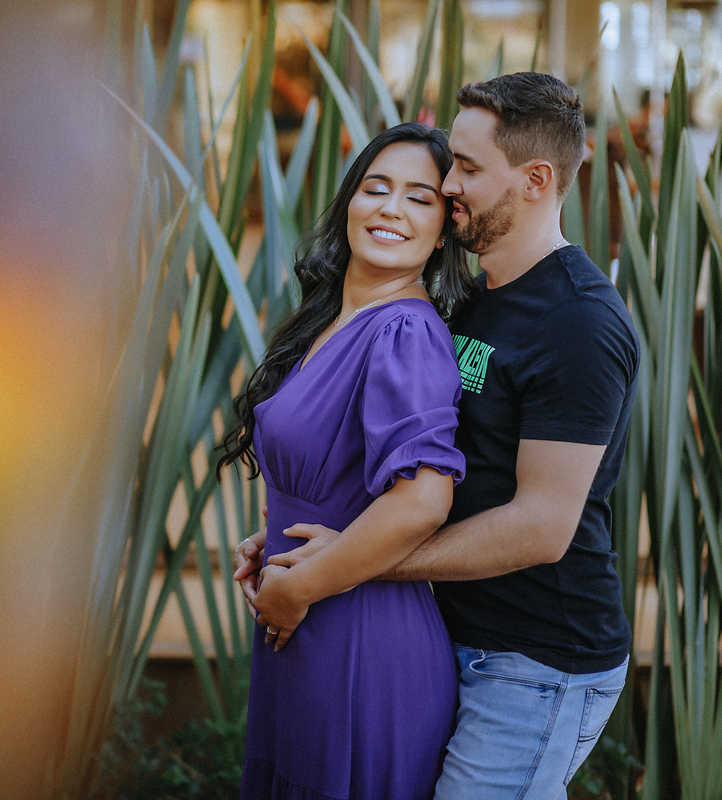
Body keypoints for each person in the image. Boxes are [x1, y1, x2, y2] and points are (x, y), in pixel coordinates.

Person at [236, 73, 639, 799]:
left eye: (468, 169)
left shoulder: (580, 323)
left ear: (536, 180)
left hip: (536, 664)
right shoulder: (472, 301)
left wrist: (350, 563)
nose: (449, 183)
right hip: (451, 631)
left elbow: (542, 527)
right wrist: (313, 531)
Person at [218, 121, 475, 800]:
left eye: (420, 198)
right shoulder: (333, 317)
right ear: (349, 202)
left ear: (442, 231)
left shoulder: (406, 332)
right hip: (305, 622)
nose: (392, 208)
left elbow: (424, 499)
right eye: (376, 188)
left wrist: (297, 587)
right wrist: (275, 538)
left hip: (360, 638)